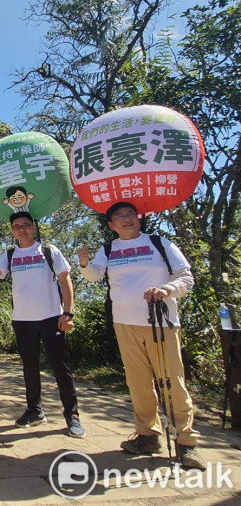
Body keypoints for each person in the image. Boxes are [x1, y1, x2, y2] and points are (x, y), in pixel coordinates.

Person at [78, 201, 204, 469]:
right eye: (118, 216)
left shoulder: (159, 243)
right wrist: (84, 262)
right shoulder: (109, 248)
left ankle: (187, 443)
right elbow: (93, 276)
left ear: (140, 218)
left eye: (130, 214)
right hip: (124, 323)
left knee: (172, 381)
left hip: (162, 323)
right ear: (111, 225)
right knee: (138, 383)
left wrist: (167, 290)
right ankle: (147, 435)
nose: (125, 219)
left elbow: (186, 277)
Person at [0, 212, 85, 438]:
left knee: (60, 368)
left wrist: (68, 313)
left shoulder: (49, 251)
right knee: (29, 368)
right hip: (22, 320)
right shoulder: (10, 254)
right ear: (12, 230)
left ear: (33, 228)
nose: (21, 229)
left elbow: (65, 281)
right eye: (17, 226)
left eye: (26, 225)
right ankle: (35, 411)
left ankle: (72, 416)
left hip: (51, 317)